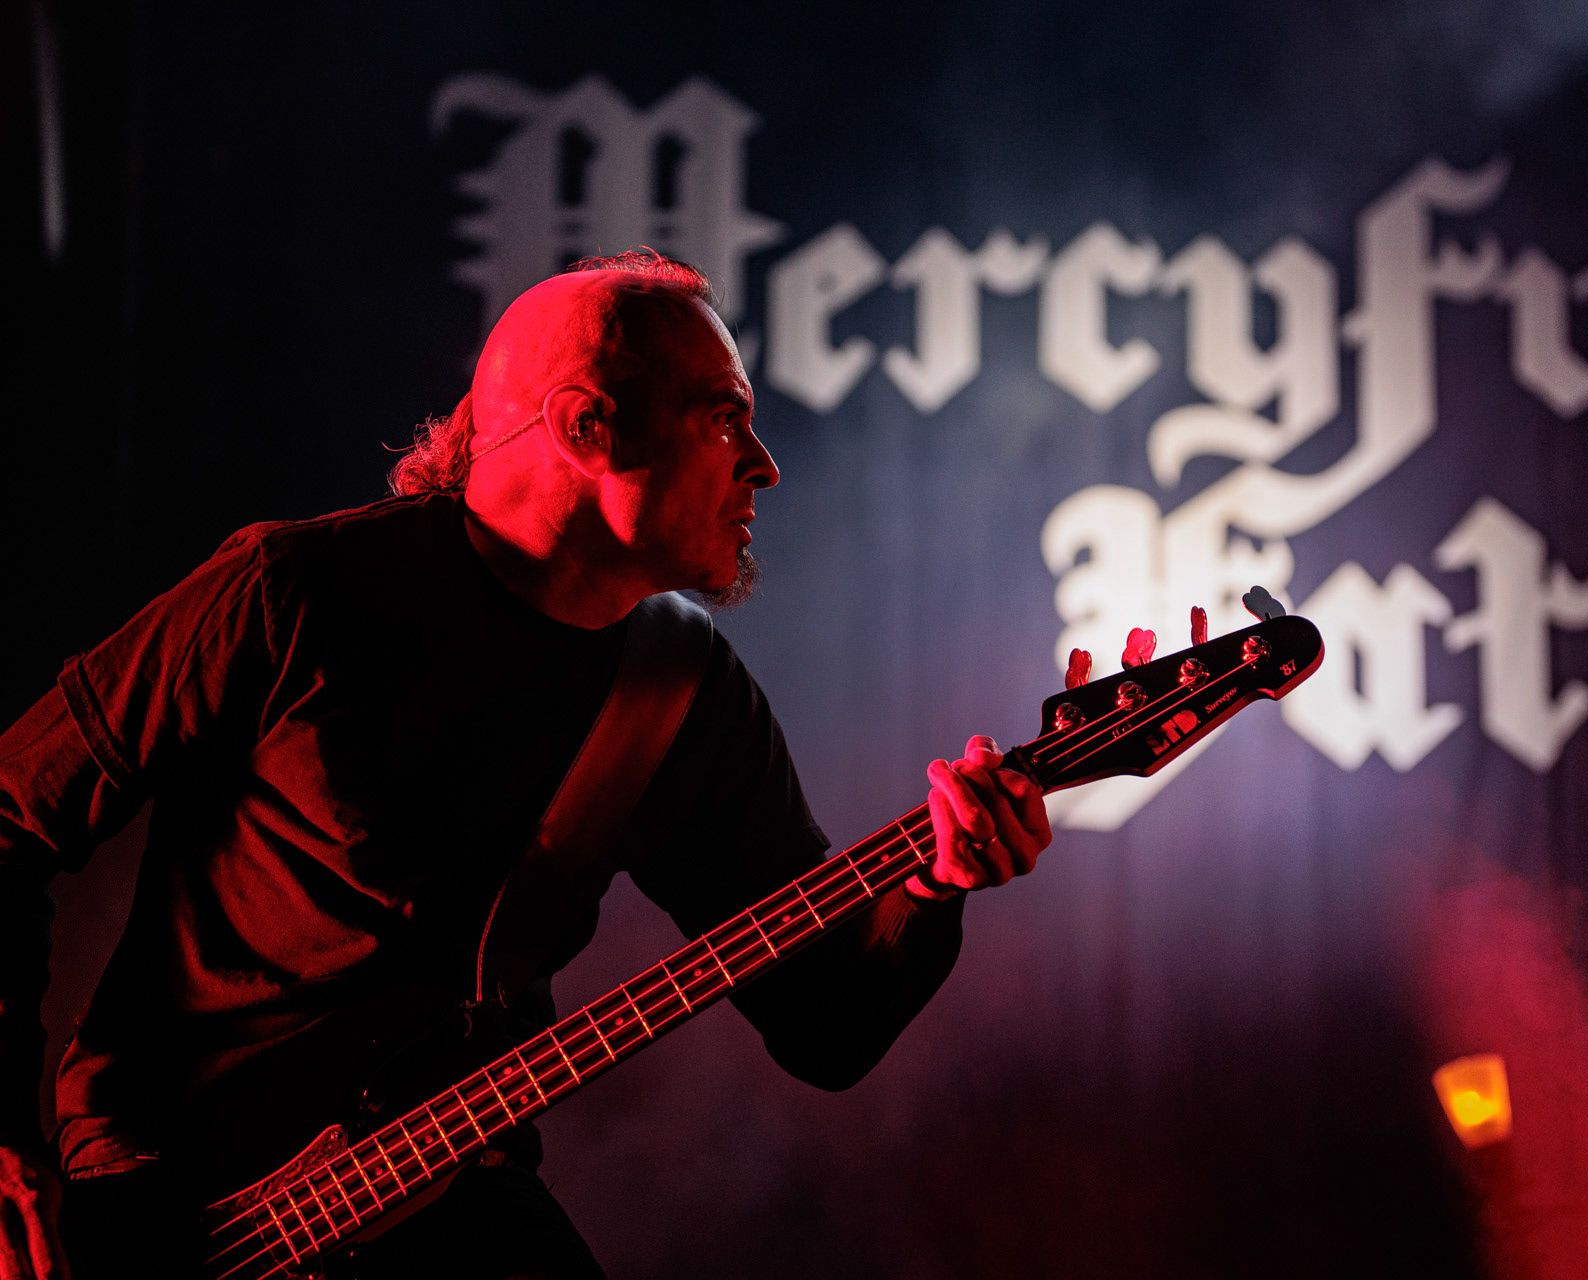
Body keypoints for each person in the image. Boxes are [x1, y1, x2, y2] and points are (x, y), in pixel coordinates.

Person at [0, 250, 1051, 1279]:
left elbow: (827, 1025)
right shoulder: (294, 591)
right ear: (585, 426)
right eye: (724, 415)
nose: (765, 463)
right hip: (157, 1207)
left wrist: (934, 882)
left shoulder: (680, 688)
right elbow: (9, 818)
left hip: (435, 1182)